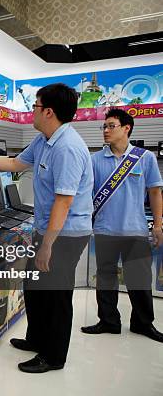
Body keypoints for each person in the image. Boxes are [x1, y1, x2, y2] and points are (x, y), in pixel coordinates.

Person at [0, 83, 93, 373]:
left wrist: (47, 246)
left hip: (65, 235)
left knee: (55, 295)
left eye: (34, 105)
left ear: (49, 111)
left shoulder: (68, 148)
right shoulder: (43, 140)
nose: (31, 110)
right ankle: (37, 339)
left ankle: (53, 356)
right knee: (34, 287)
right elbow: (14, 163)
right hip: (47, 229)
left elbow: (63, 202)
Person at [81, 108, 163, 342]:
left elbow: (156, 192)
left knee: (139, 281)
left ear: (126, 128)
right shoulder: (94, 160)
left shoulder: (145, 157)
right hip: (105, 230)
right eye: (104, 126)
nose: (106, 130)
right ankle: (108, 321)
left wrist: (158, 225)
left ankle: (143, 324)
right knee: (105, 277)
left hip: (136, 230)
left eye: (111, 126)